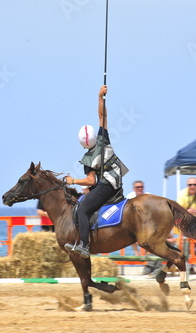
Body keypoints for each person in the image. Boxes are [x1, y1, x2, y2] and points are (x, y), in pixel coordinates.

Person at [64, 85, 129, 258]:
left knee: (83, 209)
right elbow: (102, 116)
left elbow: (91, 181)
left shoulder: (88, 159)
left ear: (81, 144)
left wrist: (73, 181)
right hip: (119, 183)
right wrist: (101, 97)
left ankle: (84, 245)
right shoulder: (104, 140)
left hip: (106, 186)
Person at [177, 177, 196, 274]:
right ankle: (185, 266)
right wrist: (188, 212)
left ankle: (192, 266)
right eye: (190, 185)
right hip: (184, 224)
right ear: (187, 186)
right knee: (184, 246)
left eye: (194, 184)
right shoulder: (182, 193)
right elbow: (178, 209)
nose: (192, 186)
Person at [126, 180, 150, 256]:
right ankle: (137, 253)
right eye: (137, 187)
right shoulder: (130, 197)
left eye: (141, 187)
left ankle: (146, 254)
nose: (140, 188)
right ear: (134, 189)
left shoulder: (148, 196)